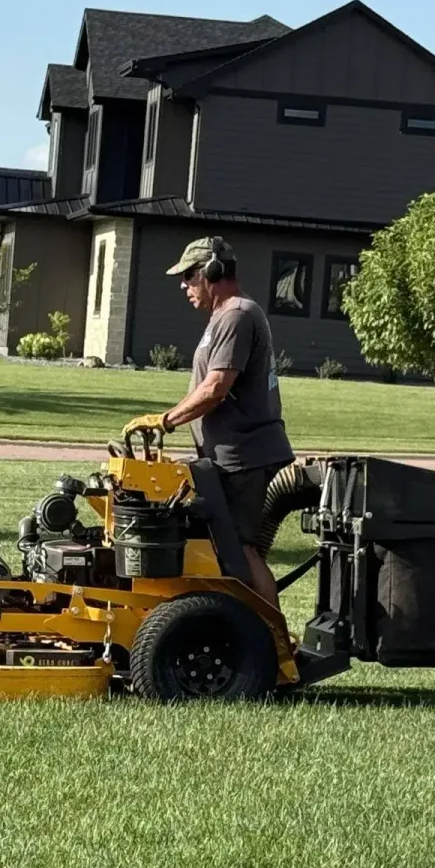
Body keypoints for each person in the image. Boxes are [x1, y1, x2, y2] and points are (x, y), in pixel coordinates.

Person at [143, 236, 294, 605]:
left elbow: (215, 388)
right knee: (226, 550)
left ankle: (272, 648)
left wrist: (165, 420)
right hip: (231, 457)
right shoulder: (224, 317)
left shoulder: (237, 315)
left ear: (212, 272)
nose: (184, 285)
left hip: (244, 458)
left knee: (241, 551)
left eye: (190, 276)